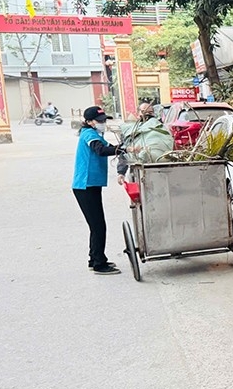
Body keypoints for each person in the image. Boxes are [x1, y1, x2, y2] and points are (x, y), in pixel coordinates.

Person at [73, 106, 125, 275]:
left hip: (92, 185)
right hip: (85, 186)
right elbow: (101, 150)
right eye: (99, 121)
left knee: (96, 225)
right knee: (98, 226)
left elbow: (110, 147)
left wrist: (124, 146)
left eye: (104, 120)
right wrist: (122, 149)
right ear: (89, 122)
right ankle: (99, 264)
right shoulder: (88, 134)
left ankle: (94, 258)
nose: (103, 123)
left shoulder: (96, 134)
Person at [116, 103, 171, 185]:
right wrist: (121, 173)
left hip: (160, 169)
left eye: (150, 112)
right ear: (138, 113)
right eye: (144, 112)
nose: (148, 114)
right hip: (138, 170)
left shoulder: (160, 128)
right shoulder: (132, 130)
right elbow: (124, 151)